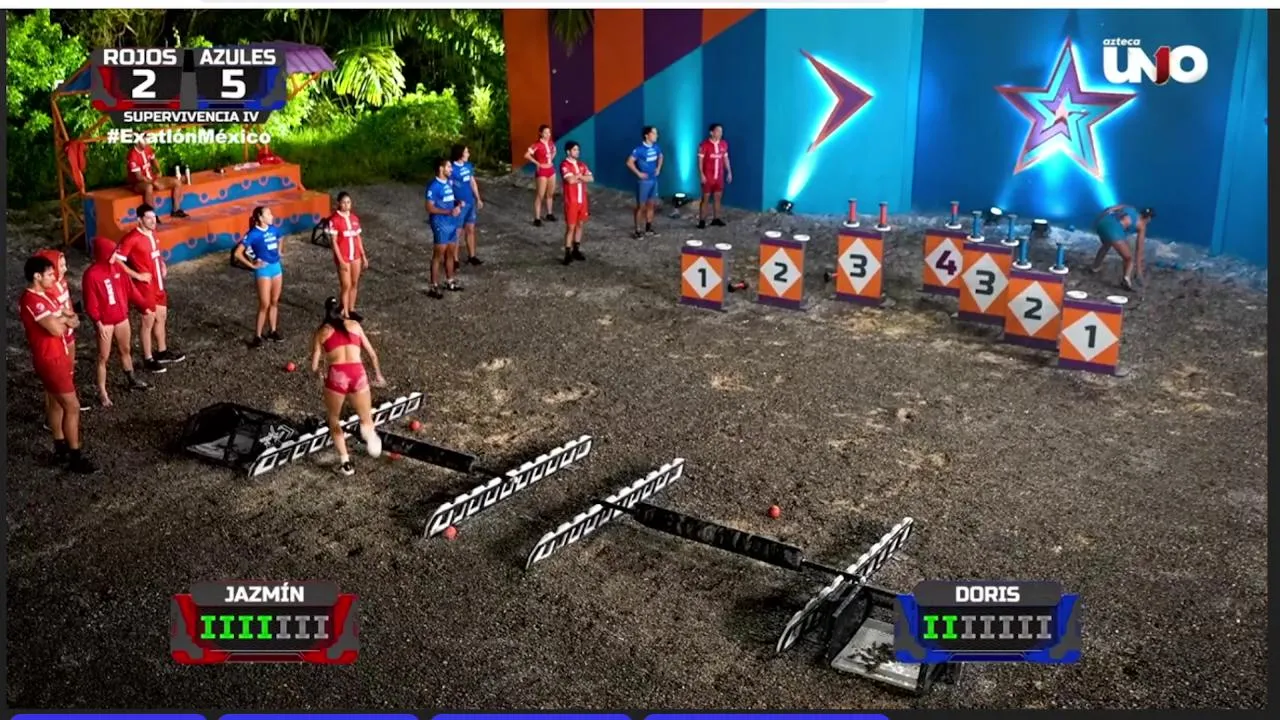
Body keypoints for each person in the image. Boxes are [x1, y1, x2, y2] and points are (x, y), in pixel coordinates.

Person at [20, 254, 96, 473]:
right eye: (50, 274)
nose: (54, 278)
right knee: (72, 407)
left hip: (58, 355)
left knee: (55, 402)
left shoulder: (46, 296)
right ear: (37, 276)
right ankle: (75, 456)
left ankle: (60, 448)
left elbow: (72, 317)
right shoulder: (32, 301)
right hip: (51, 359)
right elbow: (56, 328)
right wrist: (63, 321)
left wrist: (62, 320)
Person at [310, 297, 387, 476]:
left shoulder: (321, 332)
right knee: (366, 417)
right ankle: (369, 434)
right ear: (342, 311)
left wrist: (320, 374)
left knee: (334, 420)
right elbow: (372, 354)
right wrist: (378, 375)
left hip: (337, 375)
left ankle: (345, 463)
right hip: (357, 373)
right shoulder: (354, 325)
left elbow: (314, 364)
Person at [113, 204, 186, 372]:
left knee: (161, 316)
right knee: (148, 321)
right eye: (149, 218)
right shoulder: (131, 238)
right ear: (140, 220)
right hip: (145, 287)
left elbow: (156, 253)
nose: (153, 221)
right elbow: (116, 260)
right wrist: (137, 275)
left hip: (158, 283)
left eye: (154, 217)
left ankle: (162, 351)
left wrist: (162, 263)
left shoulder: (152, 233)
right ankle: (148, 358)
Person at [82, 238, 150, 406]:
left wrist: (144, 306)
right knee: (103, 356)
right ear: (103, 254)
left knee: (125, 349)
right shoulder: (91, 275)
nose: (116, 255)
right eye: (112, 253)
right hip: (105, 321)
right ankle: (103, 392)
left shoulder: (118, 268)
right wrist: (98, 322)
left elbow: (131, 290)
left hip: (121, 317)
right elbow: (90, 302)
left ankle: (131, 379)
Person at [233, 206, 285, 348]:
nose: (272, 216)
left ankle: (273, 331)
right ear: (261, 218)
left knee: (274, 301)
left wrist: (279, 251)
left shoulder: (273, 229)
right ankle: (257, 336)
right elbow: (237, 253)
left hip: (276, 267)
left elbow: (280, 237)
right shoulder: (253, 234)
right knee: (264, 304)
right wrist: (252, 265)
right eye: (269, 214)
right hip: (264, 271)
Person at [1089, 205, 1155, 291]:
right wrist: (1139, 272)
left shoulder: (1130, 208)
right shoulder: (1142, 226)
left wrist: (1097, 222)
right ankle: (1126, 280)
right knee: (1129, 259)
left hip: (1102, 223)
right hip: (1114, 230)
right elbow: (1139, 249)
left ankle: (1095, 267)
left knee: (1106, 245)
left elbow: (1109, 209)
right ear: (1149, 219)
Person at [425, 158, 464, 298]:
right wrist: (448, 212)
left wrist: (457, 203)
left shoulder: (448, 182)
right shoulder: (433, 186)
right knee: (438, 255)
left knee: (450, 253)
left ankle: (450, 281)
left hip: (451, 222)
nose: (451, 169)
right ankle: (433, 286)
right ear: (441, 168)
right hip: (440, 223)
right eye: (448, 167)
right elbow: (429, 207)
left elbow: (449, 199)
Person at [127, 135, 188, 220]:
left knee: (176, 182)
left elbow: (154, 159)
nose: (147, 142)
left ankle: (176, 210)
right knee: (149, 187)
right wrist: (153, 183)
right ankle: (151, 215)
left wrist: (159, 171)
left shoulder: (148, 148)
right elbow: (139, 177)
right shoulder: (132, 156)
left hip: (152, 178)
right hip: (138, 183)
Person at [328, 192, 367, 319]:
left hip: (355, 255)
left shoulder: (354, 218)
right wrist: (340, 260)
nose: (346, 205)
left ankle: (351, 308)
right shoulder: (334, 220)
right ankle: (345, 312)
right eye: (344, 202)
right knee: (346, 285)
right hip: (344, 256)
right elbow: (334, 242)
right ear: (339, 203)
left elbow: (358, 238)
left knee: (354, 283)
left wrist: (363, 255)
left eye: (348, 202)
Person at [449, 144, 485, 266]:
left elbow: (472, 182)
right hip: (459, 205)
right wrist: (454, 202)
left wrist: (478, 198)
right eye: (466, 152)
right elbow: (448, 187)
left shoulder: (468, 166)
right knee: (457, 231)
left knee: (470, 229)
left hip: (470, 202)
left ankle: (472, 256)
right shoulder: (452, 169)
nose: (468, 154)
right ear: (460, 154)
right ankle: (454, 259)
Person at [559, 140, 593, 265]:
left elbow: (591, 178)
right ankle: (567, 253)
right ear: (568, 152)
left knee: (580, 225)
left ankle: (576, 250)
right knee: (571, 227)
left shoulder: (582, 164)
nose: (577, 152)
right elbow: (570, 180)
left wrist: (578, 177)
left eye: (578, 149)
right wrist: (581, 177)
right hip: (571, 201)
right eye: (574, 150)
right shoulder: (564, 164)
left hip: (582, 200)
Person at [626, 126, 664, 238]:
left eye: (656, 133)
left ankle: (648, 228)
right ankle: (637, 230)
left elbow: (661, 156)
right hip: (644, 182)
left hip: (653, 180)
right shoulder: (639, 150)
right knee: (641, 206)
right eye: (654, 133)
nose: (656, 136)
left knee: (651, 205)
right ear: (647, 135)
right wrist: (638, 173)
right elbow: (629, 162)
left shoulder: (656, 147)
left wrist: (658, 168)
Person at [696, 123, 733, 228]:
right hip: (708, 176)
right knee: (706, 199)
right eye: (718, 131)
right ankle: (702, 221)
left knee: (718, 198)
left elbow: (725, 159)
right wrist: (701, 174)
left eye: (721, 131)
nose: (720, 133)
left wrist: (729, 171)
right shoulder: (704, 145)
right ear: (711, 132)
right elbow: (700, 161)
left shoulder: (723, 144)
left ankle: (716, 218)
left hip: (719, 176)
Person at [523, 125, 557, 226]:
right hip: (542, 171)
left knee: (550, 194)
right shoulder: (536, 145)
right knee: (540, 195)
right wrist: (537, 163)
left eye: (549, 132)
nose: (548, 134)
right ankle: (537, 219)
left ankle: (549, 214)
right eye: (545, 132)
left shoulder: (551, 143)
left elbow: (554, 151)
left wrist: (550, 159)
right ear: (541, 133)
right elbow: (526, 155)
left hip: (551, 169)